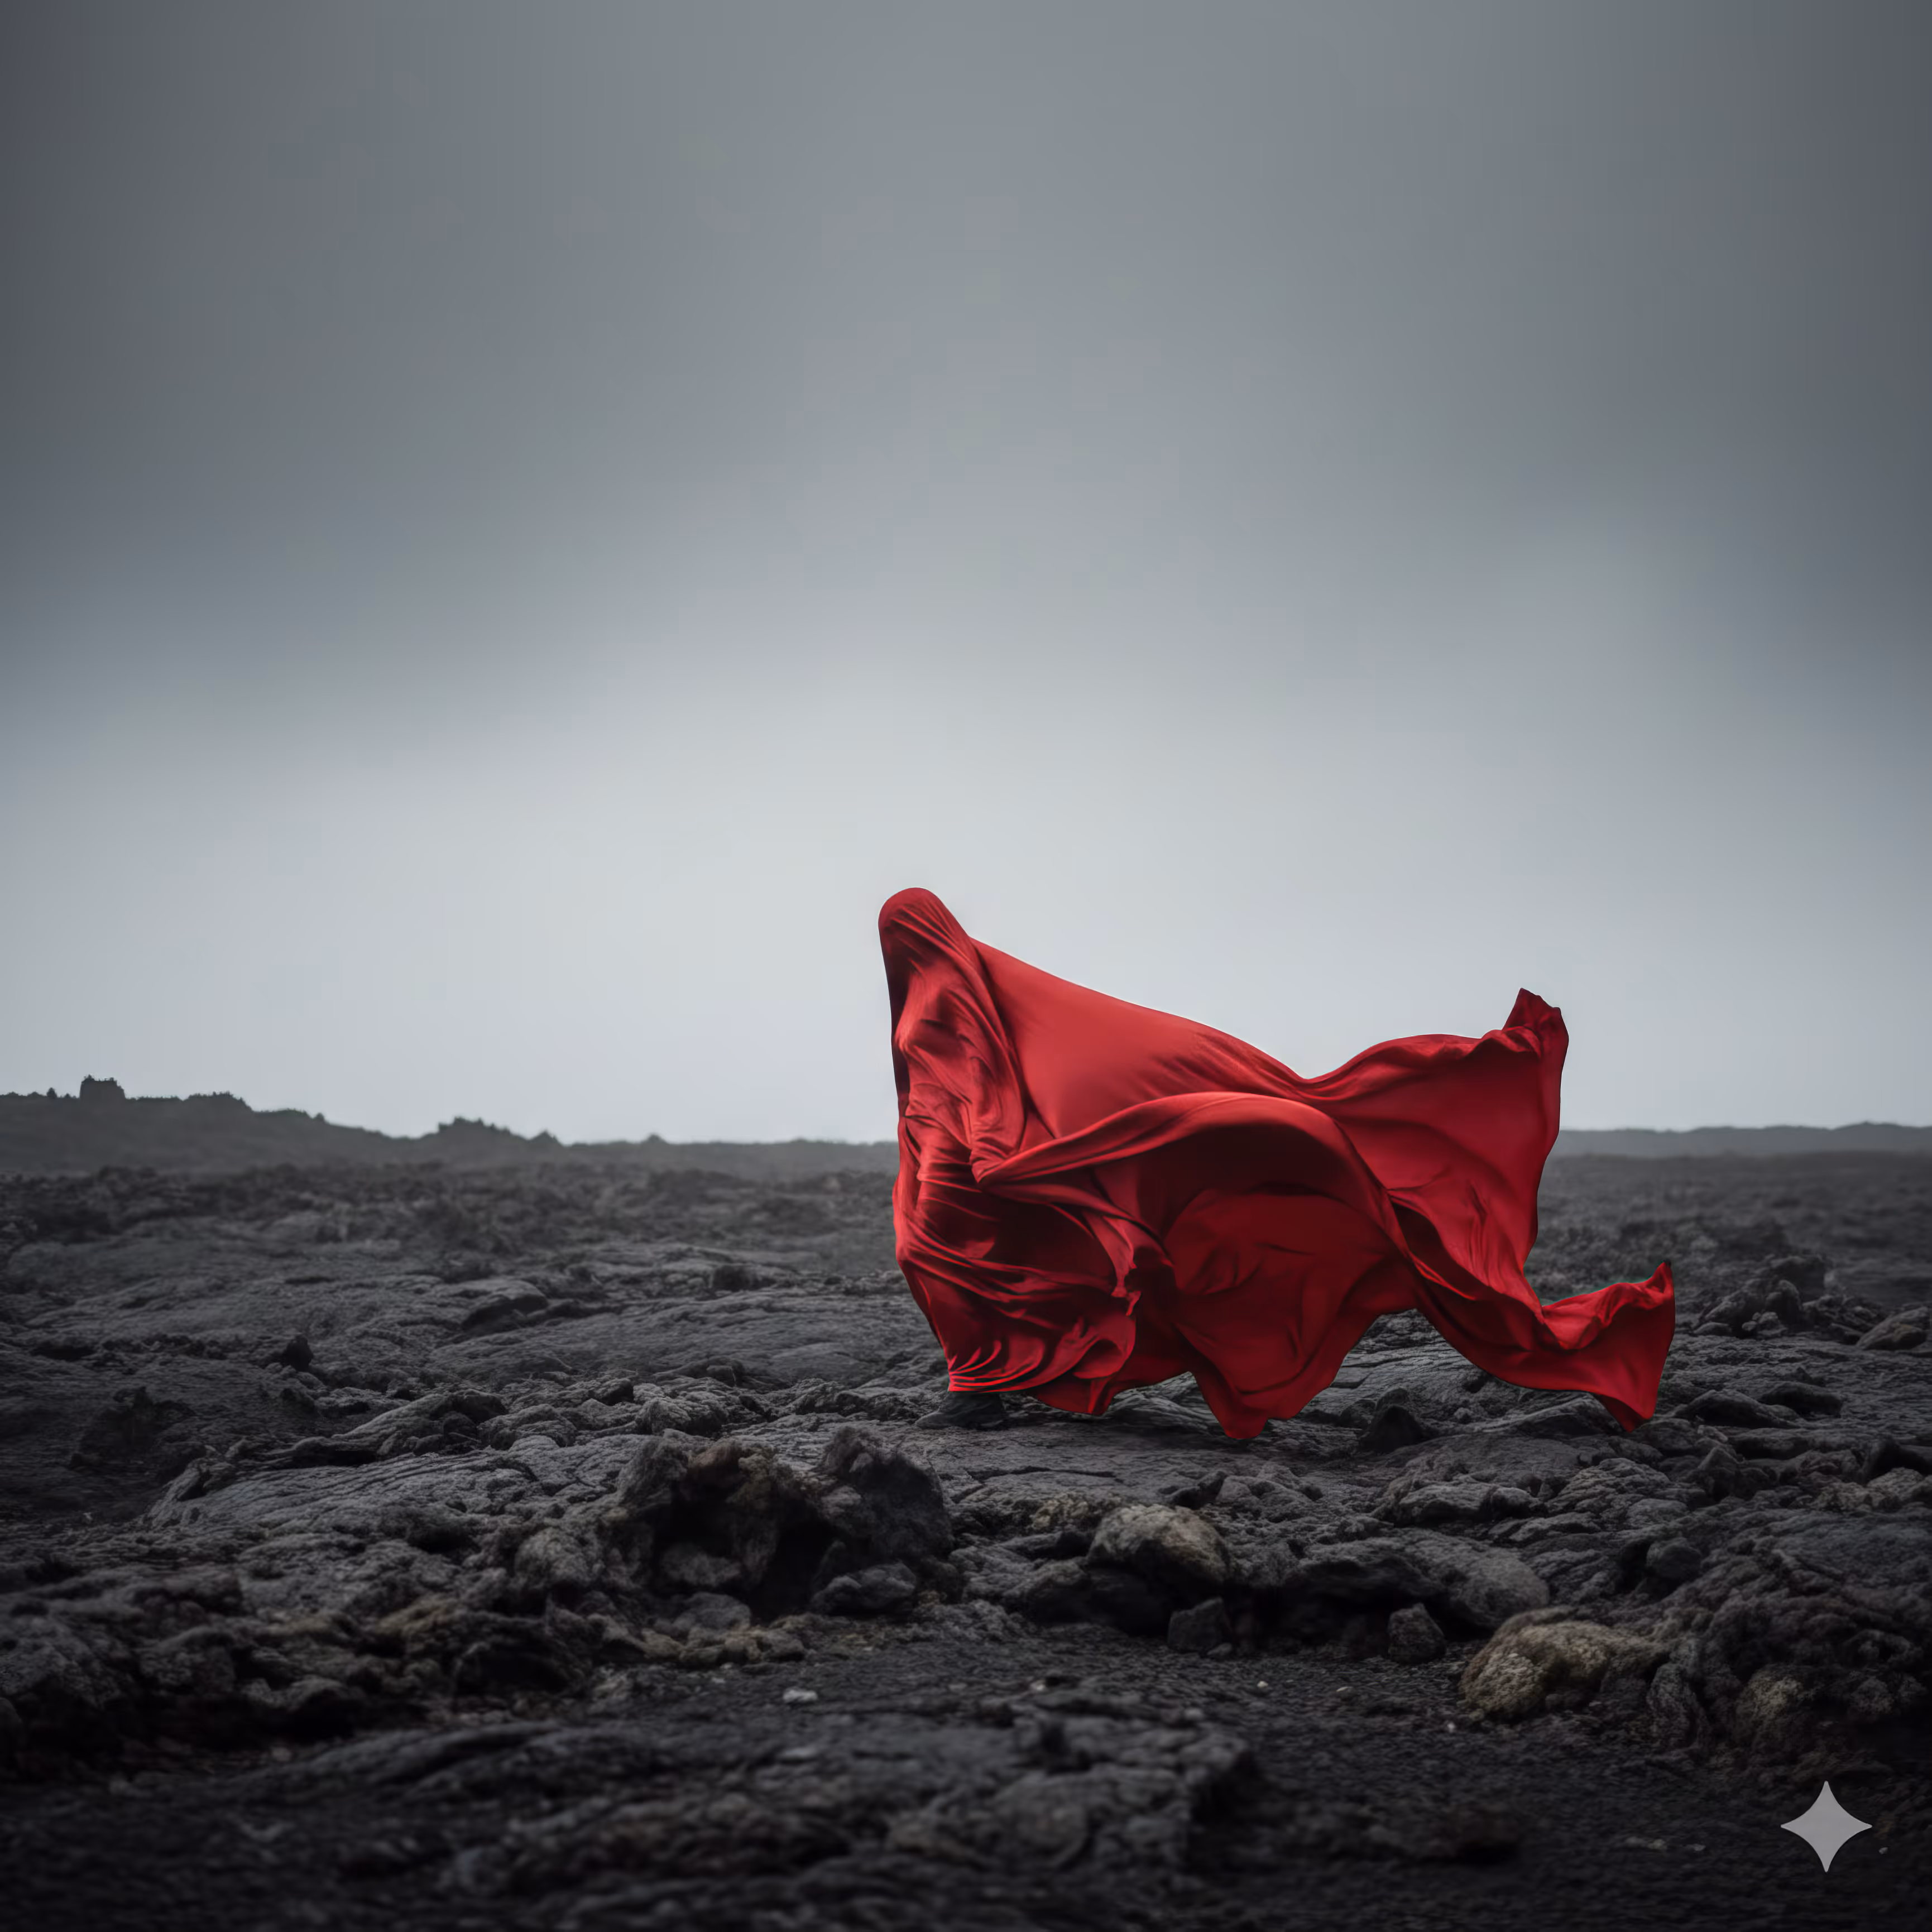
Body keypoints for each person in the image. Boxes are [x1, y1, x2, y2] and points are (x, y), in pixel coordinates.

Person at [879, 887, 1674, 1436]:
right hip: (943, 1153)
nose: (896, 942)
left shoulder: (954, 994)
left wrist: (991, 1147)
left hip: (972, 1155)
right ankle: (986, 1382)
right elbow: (924, 1077)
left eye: (902, 928)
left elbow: (978, 1068)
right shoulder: (920, 992)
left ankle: (979, 1389)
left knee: (945, 1255)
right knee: (957, 1259)